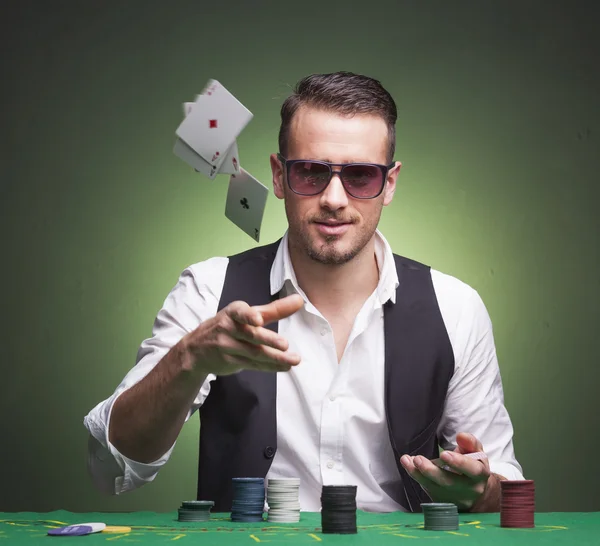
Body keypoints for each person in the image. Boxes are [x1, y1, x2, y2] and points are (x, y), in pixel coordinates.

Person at [84, 71, 523, 514]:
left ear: (389, 184)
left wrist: (481, 491)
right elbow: (112, 466)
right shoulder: (208, 289)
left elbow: (502, 482)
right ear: (279, 177)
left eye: (361, 176)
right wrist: (187, 360)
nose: (334, 198)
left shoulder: (456, 307)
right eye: (311, 172)